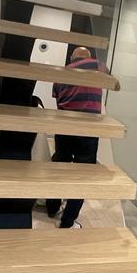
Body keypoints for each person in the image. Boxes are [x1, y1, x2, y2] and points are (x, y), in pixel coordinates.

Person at [46, 46, 103, 228]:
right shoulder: (98, 67)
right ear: (89, 57)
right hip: (88, 128)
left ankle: (52, 207)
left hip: (64, 125)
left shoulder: (61, 73)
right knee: (82, 174)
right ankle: (68, 221)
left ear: (72, 58)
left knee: (59, 166)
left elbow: (57, 98)